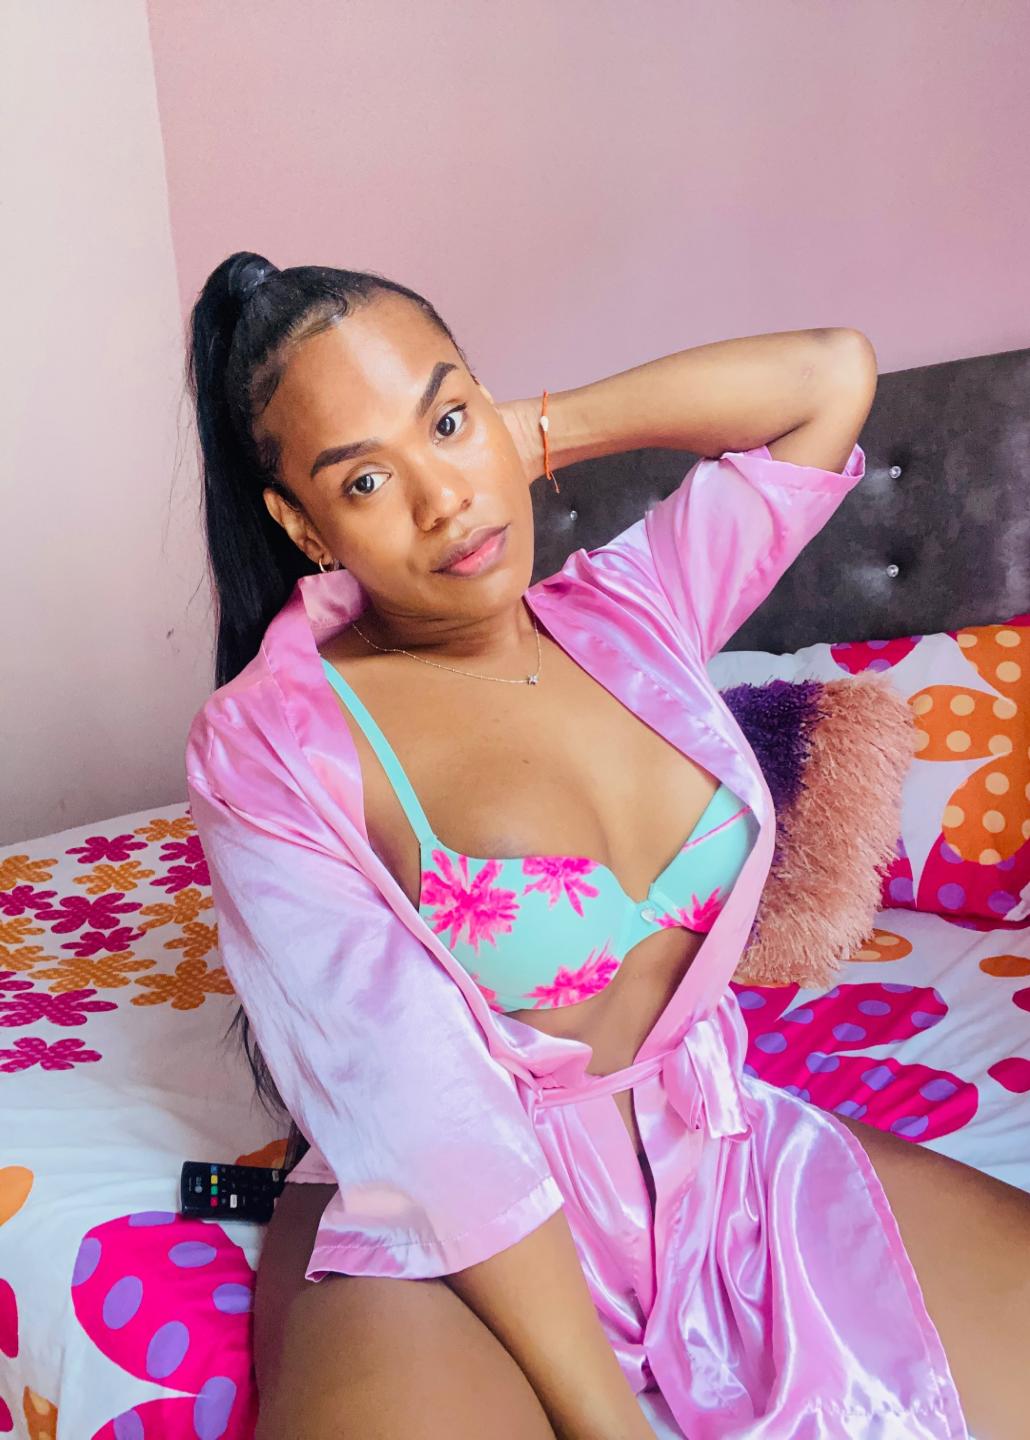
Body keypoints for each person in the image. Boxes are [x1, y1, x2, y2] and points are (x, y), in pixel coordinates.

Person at [183, 251, 1028, 1440]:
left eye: (448, 419)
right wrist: (604, 1420)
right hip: (451, 1235)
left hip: (718, 1157)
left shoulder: (636, 606)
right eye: (366, 479)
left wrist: (527, 435)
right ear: (302, 525)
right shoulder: (276, 738)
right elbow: (420, 1107)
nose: (444, 502)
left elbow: (829, 377)